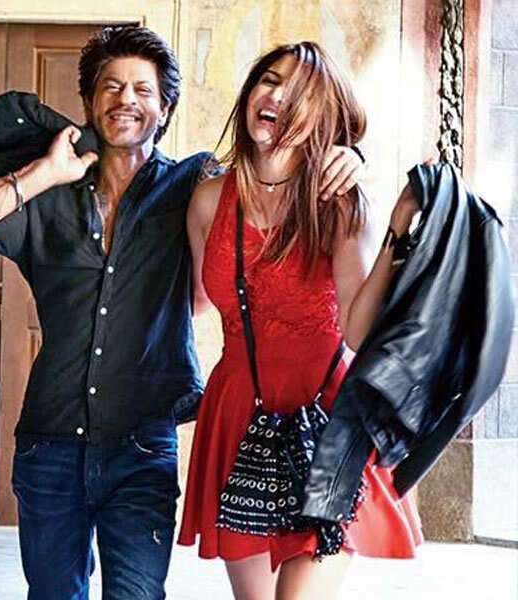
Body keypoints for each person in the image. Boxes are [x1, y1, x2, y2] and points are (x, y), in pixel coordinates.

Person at [0, 28, 364, 600]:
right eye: (110, 87)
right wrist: (41, 175)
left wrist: (348, 156)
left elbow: (272, 182)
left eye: (142, 89)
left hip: (143, 444)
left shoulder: (192, 186)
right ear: (88, 103)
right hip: (50, 442)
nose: (125, 99)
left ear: (166, 109)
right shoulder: (48, 194)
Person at [178, 41, 424, 600]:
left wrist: (393, 227)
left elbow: (359, 331)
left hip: (328, 419)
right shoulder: (208, 200)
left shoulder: (339, 202)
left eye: (299, 91)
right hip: (240, 413)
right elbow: (195, 301)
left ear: (323, 116)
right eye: (269, 80)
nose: (277, 95)